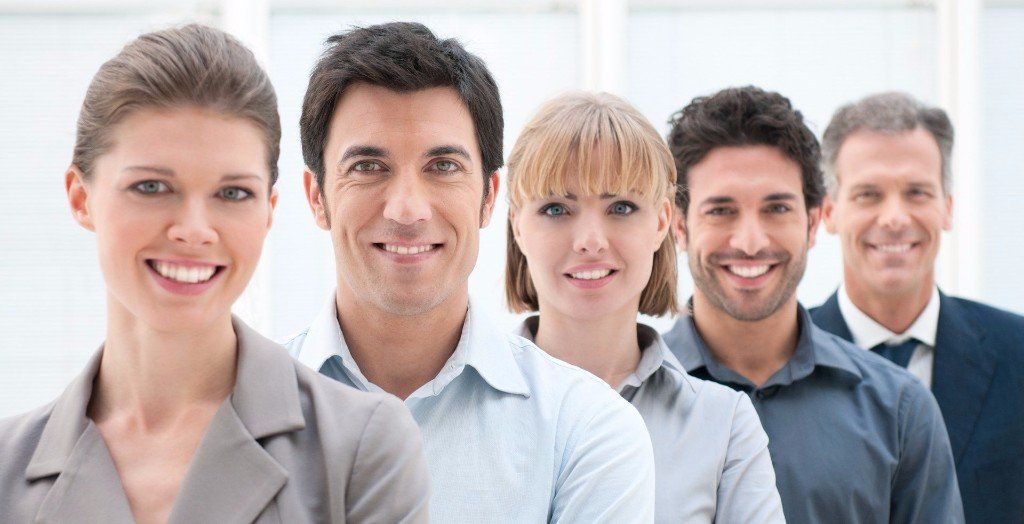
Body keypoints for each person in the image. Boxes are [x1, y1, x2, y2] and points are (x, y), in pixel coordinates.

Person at [0, 24, 431, 523]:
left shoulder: (361, 449)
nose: (193, 230)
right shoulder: (7, 472)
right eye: (151, 187)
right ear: (81, 197)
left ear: (268, 211)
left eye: (232, 194)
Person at [286, 22, 654, 522]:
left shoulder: (587, 429)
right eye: (369, 166)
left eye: (442, 166)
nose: (407, 209)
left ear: (488, 197)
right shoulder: (231, 415)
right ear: (316, 198)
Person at [660, 86, 963, 523]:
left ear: (814, 221)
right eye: (721, 211)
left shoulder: (898, 410)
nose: (750, 242)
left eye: (776, 208)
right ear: (678, 225)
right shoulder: (622, 403)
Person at [504, 91, 783, 523]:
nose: (590, 240)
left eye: (621, 207)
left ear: (661, 224)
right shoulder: (457, 405)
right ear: (518, 226)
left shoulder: (723, 425)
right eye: (556, 208)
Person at [809, 92, 1024, 523]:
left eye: (917, 192)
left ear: (947, 208)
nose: (894, 217)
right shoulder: (781, 359)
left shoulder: (1018, 353)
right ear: (829, 212)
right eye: (869, 194)